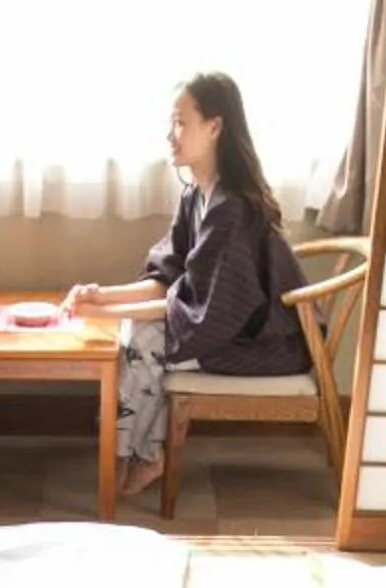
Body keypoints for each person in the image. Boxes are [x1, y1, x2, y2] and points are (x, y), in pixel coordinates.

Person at [62, 72, 310, 500]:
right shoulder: (196, 196)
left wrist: (106, 312)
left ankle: (143, 456)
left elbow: (202, 311)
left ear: (214, 127)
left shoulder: (231, 208)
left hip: (263, 345)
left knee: (141, 337)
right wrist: (100, 295)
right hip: (227, 331)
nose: (170, 135)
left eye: (180, 123)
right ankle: (135, 453)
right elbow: (171, 281)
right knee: (134, 330)